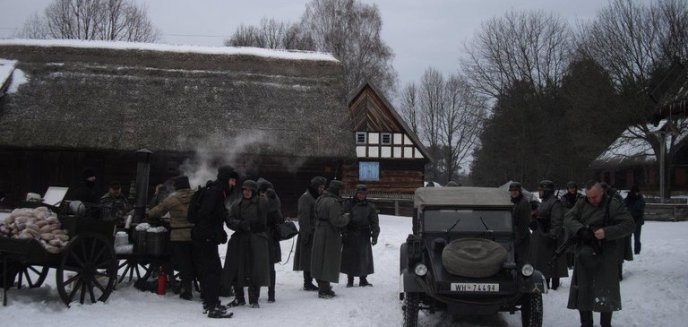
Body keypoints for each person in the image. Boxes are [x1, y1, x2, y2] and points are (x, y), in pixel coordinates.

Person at [564, 180, 634, 327]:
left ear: (602, 192)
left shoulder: (613, 204)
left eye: (594, 197)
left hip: (606, 255)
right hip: (584, 254)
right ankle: (586, 323)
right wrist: (581, 229)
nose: (592, 200)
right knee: (583, 291)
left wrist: (607, 232)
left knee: (606, 292)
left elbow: (629, 224)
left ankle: (605, 324)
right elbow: (569, 218)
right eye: (589, 197)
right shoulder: (582, 203)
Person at [190, 165, 236, 319]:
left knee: (210, 270)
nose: (234, 184)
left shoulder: (216, 191)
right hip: (206, 239)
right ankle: (212, 306)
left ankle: (211, 302)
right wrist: (215, 234)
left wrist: (219, 231)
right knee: (212, 272)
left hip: (204, 237)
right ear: (225, 178)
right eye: (232, 180)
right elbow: (206, 215)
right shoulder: (216, 193)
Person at [146, 176, 195, 300]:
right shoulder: (197, 196)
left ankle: (186, 289)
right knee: (195, 261)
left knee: (182, 262)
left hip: (178, 236)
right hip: (195, 235)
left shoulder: (172, 199)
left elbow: (157, 211)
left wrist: (148, 214)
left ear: (177, 187)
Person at [224, 180, 271, 308]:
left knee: (255, 269)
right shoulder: (236, 204)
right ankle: (239, 298)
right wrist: (239, 224)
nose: (247, 192)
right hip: (240, 238)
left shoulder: (261, 202)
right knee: (236, 268)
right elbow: (229, 219)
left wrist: (270, 195)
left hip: (256, 239)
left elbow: (271, 206)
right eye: (245, 189)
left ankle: (254, 299)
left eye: (250, 190)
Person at [311, 179, 350, 299]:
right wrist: (347, 217)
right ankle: (324, 289)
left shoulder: (320, 198)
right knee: (327, 260)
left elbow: (315, 213)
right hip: (329, 234)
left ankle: (324, 286)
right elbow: (337, 220)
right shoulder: (333, 202)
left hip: (319, 231)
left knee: (319, 259)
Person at [529, 180, 568, 290]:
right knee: (541, 262)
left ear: (547, 191)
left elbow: (557, 221)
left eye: (541, 190)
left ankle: (554, 286)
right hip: (541, 235)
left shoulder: (555, 203)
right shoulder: (544, 202)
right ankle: (544, 283)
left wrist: (552, 235)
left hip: (550, 236)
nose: (540, 192)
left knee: (552, 264)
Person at [341, 184, 380, 287]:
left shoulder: (370, 206)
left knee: (364, 257)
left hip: (364, 234)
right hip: (350, 233)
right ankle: (350, 280)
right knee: (350, 257)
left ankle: (363, 279)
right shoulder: (348, 204)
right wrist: (344, 232)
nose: (361, 196)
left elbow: (374, 222)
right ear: (356, 193)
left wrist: (375, 235)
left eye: (363, 194)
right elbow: (343, 219)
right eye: (359, 193)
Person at [293, 176, 327, 291]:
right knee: (307, 258)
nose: (322, 189)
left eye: (323, 187)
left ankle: (313, 281)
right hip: (308, 232)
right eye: (321, 187)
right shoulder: (306, 198)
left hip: (316, 232)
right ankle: (307, 282)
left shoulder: (317, 197)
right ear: (315, 187)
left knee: (313, 257)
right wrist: (306, 234)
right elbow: (303, 217)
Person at [258, 178, 284, 303]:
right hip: (264, 236)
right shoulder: (271, 203)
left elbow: (279, 219)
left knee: (267, 266)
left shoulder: (273, 203)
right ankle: (268, 294)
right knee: (266, 266)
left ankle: (270, 294)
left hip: (267, 236)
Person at [601, 182, 633, 280]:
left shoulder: (616, 198)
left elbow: (621, 212)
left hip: (617, 228)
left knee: (618, 253)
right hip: (608, 229)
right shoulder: (604, 198)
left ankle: (618, 274)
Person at [560, 181, 585, 268]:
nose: (572, 189)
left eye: (573, 187)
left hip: (579, 222)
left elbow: (584, 208)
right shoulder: (564, 198)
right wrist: (572, 212)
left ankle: (576, 261)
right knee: (567, 241)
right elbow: (563, 210)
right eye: (570, 188)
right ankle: (568, 262)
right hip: (568, 222)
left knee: (578, 242)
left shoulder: (581, 197)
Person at [509, 182, 531, 268]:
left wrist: (518, 238)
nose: (514, 192)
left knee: (521, 261)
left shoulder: (523, 203)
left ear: (519, 191)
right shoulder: (514, 202)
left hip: (521, 237)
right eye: (512, 190)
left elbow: (524, 223)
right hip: (515, 235)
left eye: (516, 190)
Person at [624, 185, 645, 255]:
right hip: (629, 221)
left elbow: (639, 208)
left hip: (637, 221)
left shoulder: (640, 198)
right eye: (636, 192)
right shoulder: (628, 198)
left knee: (637, 238)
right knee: (628, 238)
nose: (637, 193)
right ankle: (628, 251)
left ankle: (637, 252)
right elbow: (624, 205)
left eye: (638, 192)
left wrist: (630, 210)